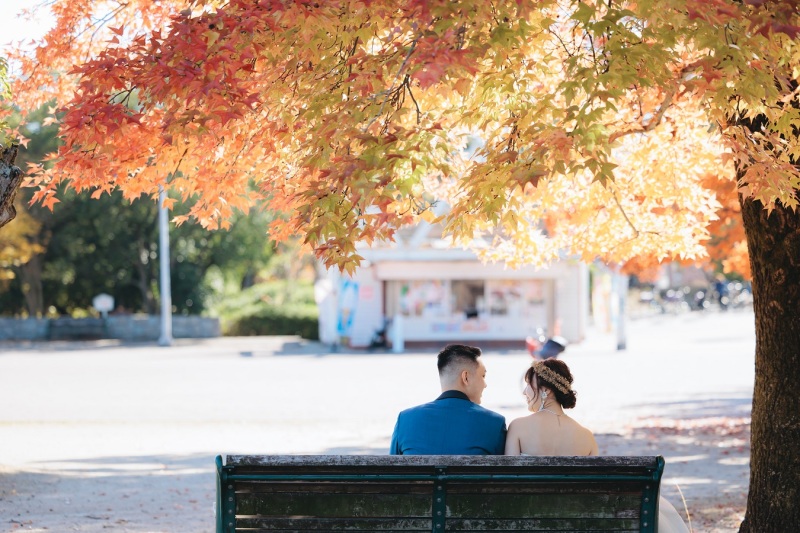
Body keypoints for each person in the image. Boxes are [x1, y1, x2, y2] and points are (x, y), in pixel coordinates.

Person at [505, 359, 689, 533]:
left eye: (528, 385)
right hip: (575, 521)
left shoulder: (518, 427)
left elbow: (508, 483)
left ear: (547, 390)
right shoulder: (586, 436)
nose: (524, 392)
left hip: (528, 517)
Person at [390, 344, 506, 455]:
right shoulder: (494, 423)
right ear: (465, 377)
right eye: (483, 376)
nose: (485, 384)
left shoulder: (405, 419)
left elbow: (392, 472)